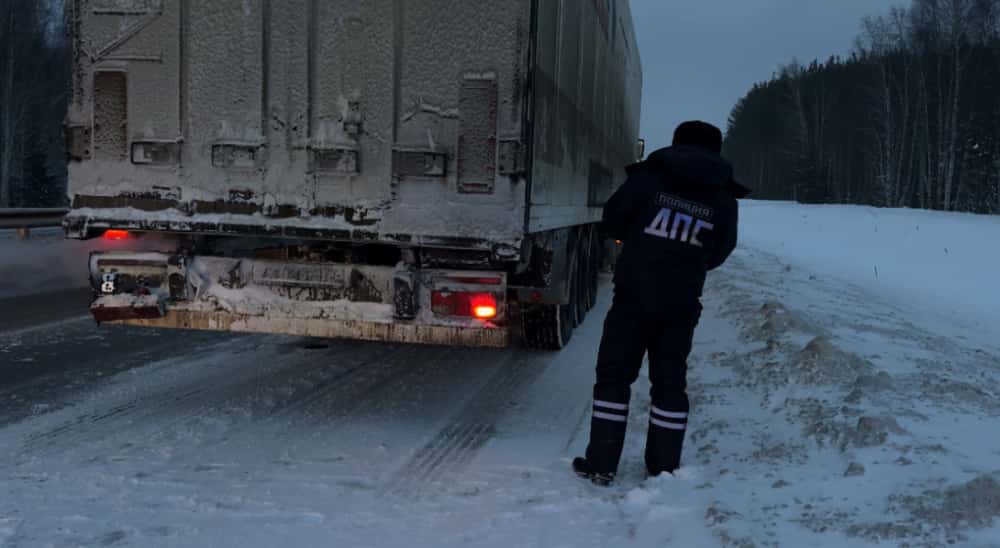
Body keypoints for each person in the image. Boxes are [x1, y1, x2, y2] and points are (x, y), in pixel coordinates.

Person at [573, 121, 750, 485]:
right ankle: (663, 467)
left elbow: (614, 219)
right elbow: (721, 249)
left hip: (633, 296)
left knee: (613, 377)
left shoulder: (649, 178)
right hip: (681, 303)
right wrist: (690, 262)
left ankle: (602, 463)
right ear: (716, 150)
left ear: (677, 143)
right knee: (669, 383)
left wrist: (640, 242)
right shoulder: (723, 197)